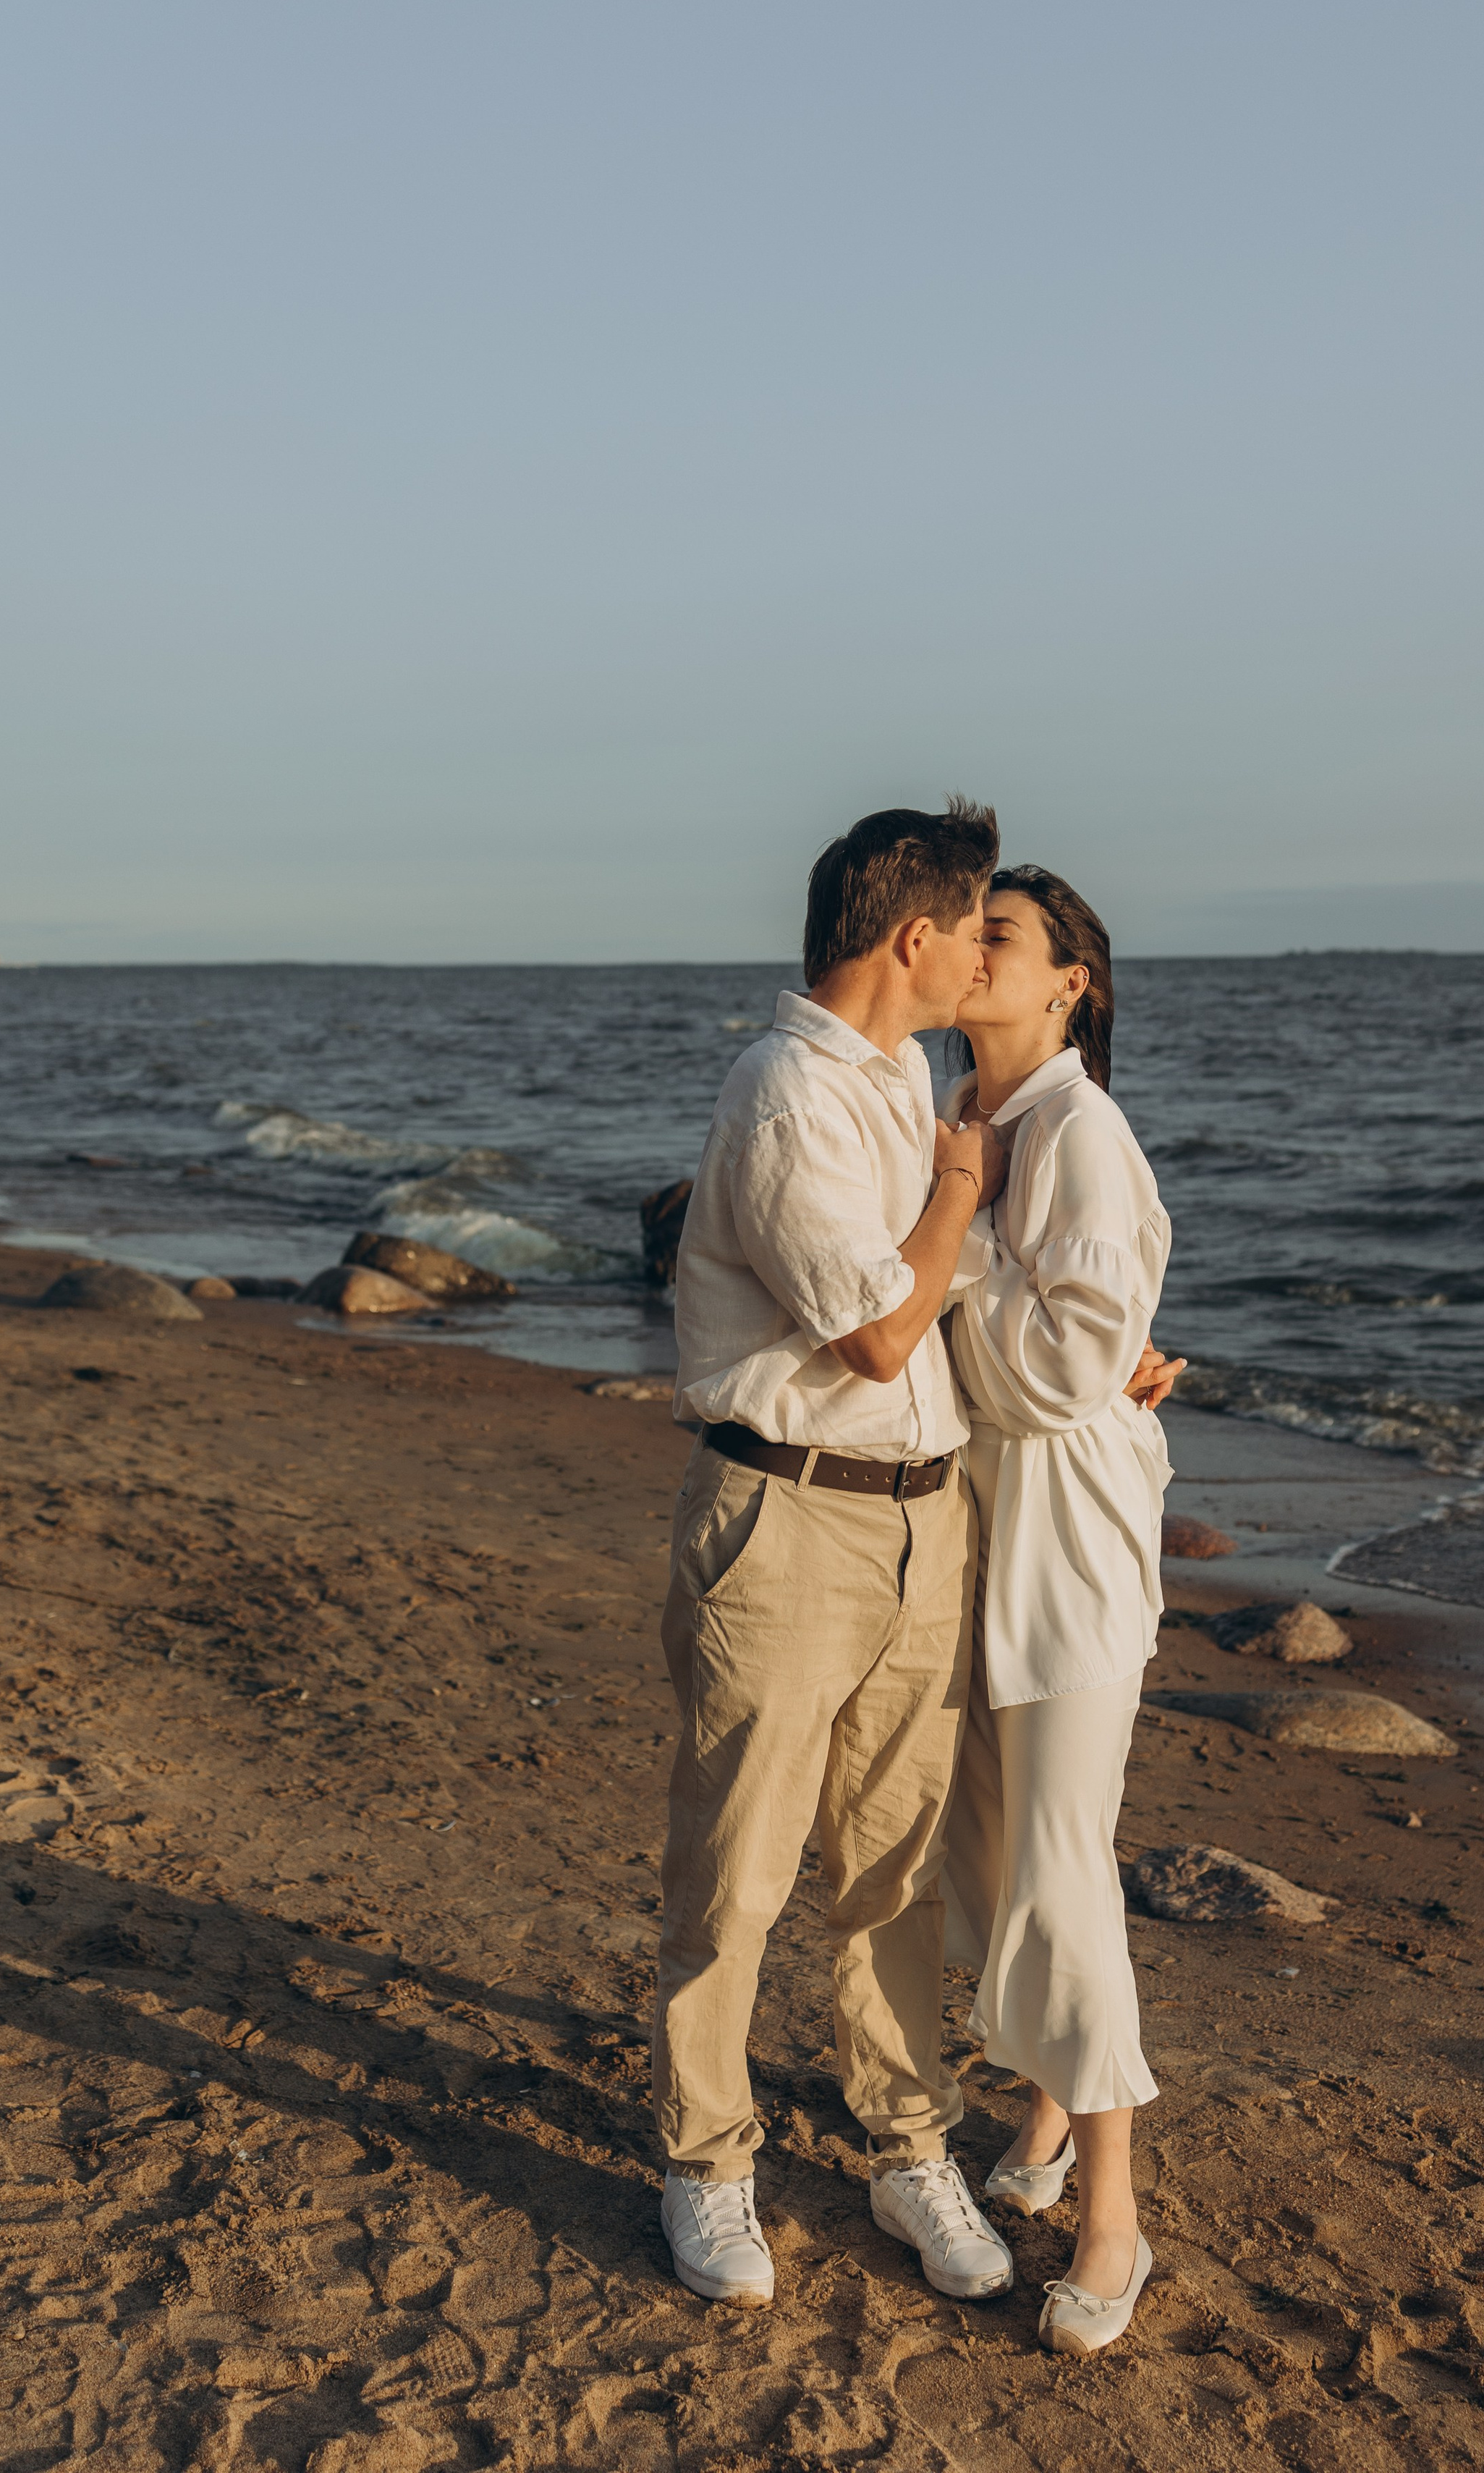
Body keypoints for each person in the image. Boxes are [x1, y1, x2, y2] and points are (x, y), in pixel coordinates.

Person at [654, 800, 1022, 2310]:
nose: (984, 956)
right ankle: (705, 2163)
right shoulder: (782, 1093)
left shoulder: (904, 1073)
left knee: (892, 1862)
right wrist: (953, 1197)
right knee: (736, 1869)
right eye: (976, 926)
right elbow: (873, 1330)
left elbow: (951, 1299)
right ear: (911, 935)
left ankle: (899, 2143)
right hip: (785, 1514)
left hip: (917, 1515)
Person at [939, 864, 1182, 2358]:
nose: (971, 950)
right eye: (965, 927)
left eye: (1002, 937)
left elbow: (1065, 1361)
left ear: (1066, 982)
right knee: (992, 1847)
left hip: (1068, 1533)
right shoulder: (964, 1117)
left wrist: (949, 1257)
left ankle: (1113, 2214)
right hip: (973, 1519)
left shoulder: (1081, 1133)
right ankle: (1035, 2118)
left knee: (1054, 1866)